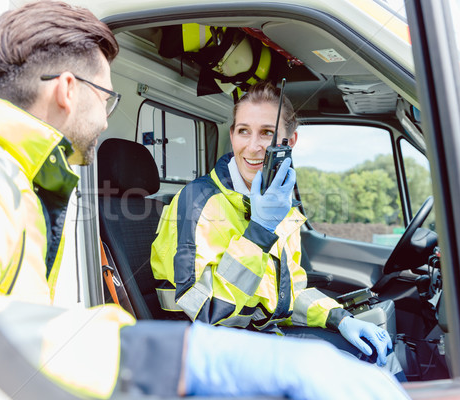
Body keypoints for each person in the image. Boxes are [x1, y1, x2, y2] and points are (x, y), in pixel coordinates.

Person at [0, 1, 409, 399]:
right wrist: (254, 240)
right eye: (107, 98)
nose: (107, 119)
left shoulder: (20, 177)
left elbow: (284, 291)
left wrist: (337, 317)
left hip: (255, 336)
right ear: (68, 90)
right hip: (221, 338)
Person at [151, 80, 405, 379]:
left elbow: (287, 293)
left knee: (380, 359)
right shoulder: (197, 202)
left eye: (267, 133)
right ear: (232, 135)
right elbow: (208, 314)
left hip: (261, 335)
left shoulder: (279, 206)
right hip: (208, 349)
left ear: (290, 142)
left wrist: (339, 317)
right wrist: (258, 232)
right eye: (243, 131)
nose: (253, 146)